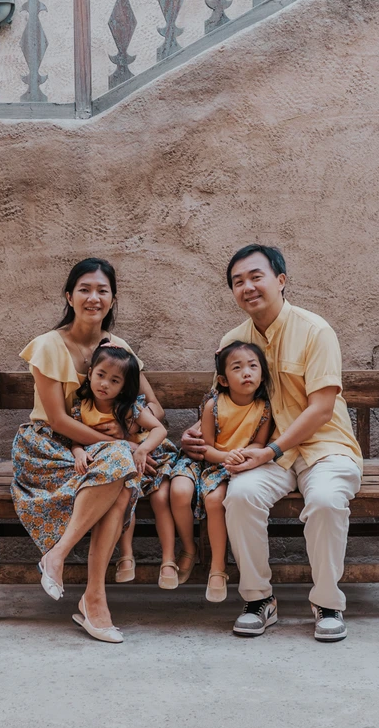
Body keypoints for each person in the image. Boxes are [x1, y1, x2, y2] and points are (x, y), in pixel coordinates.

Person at [181, 245, 362, 642]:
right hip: (261, 453)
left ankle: (328, 603)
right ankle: (259, 599)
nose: (247, 287)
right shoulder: (233, 341)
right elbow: (224, 403)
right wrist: (197, 430)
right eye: (237, 281)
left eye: (255, 276)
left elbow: (321, 409)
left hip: (323, 447)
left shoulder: (315, 331)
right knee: (240, 495)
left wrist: (272, 450)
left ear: (280, 281)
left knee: (327, 500)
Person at [12, 258, 146, 644]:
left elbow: (150, 405)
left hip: (105, 453)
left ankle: (82, 585)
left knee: (121, 476)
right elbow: (57, 419)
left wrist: (133, 434)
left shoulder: (118, 349)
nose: (93, 297)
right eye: (84, 289)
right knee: (121, 469)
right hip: (49, 449)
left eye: (102, 290)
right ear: (69, 297)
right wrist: (120, 445)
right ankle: (87, 592)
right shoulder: (49, 345)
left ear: (113, 299)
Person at [68, 345, 184, 588]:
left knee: (160, 498)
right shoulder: (82, 408)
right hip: (120, 470)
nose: (104, 384)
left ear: (123, 387)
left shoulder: (128, 407)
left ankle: (168, 559)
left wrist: (142, 449)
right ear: (90, 373)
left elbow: (159, 430)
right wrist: (78, 452)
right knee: (125, 494)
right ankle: (126, 556)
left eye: (114, 381)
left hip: (147, 461)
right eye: (101, 375)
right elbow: (76, 439)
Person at [167, 340, 274, 604]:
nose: (246, 373)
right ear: (224, 380)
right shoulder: (213, 405)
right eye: (237, 368)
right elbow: (206, 449)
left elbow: (259, 443)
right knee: (179, 491)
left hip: (232, 466)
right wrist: (228, 456)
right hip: (208, 460)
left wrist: (244, 454)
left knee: (215, 501)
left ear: (262, 375)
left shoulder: (264, 408)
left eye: (253, 366)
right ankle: (189, 548)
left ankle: (218, 567)